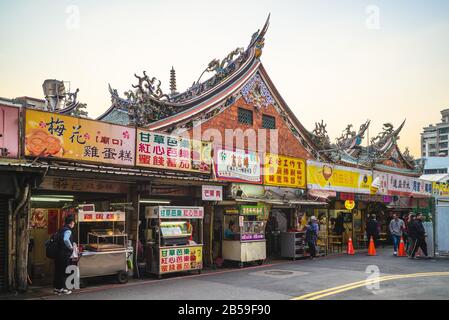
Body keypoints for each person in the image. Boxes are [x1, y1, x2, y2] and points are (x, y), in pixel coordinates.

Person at [54, 215, 76, 295]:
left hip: (58, 253)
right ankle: (62, 289)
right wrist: (71, 247)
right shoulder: (68, 230)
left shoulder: (61, 229)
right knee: (63, 271)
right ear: (71, 222)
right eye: (74, 222)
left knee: (58, 271)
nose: (74, 224)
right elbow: (66, 239)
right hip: (64, 254)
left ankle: (57, 288)